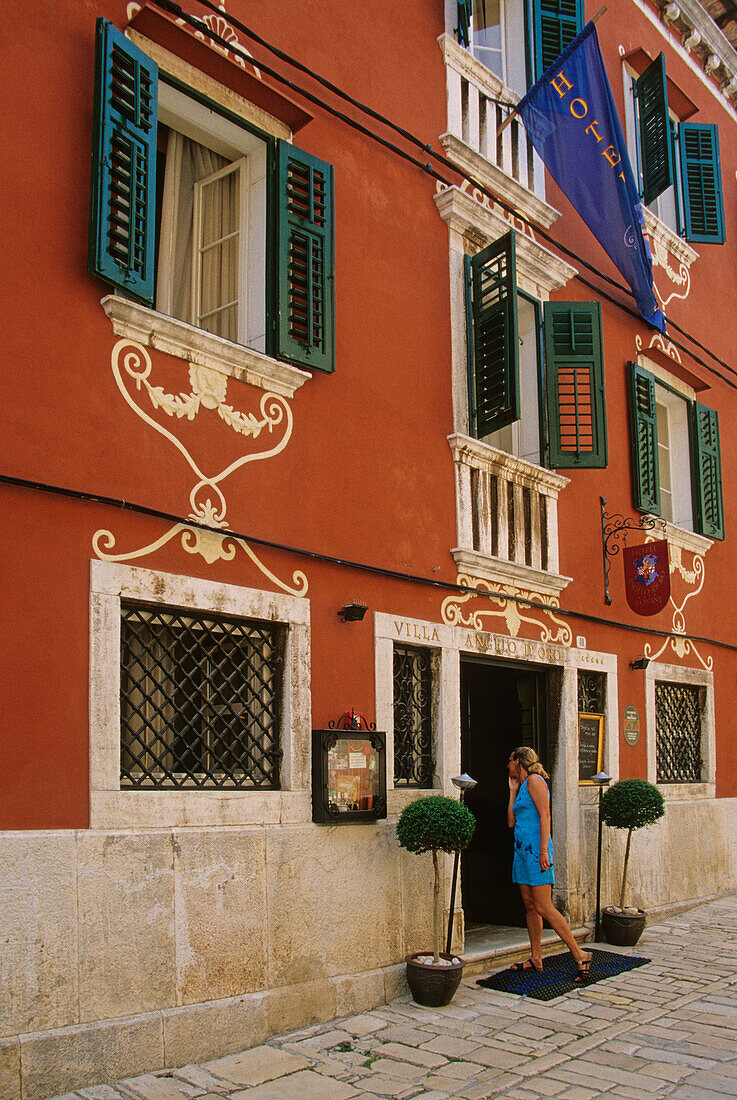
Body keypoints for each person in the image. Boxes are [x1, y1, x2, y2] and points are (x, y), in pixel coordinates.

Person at [507, 746, 592, 979]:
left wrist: (544, 851)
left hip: (537, 850)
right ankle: (536, 958)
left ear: (519, 762)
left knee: (544, 906)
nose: (507, 765)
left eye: (510, 761)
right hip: (522, 851)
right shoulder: (521, 785)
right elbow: (511, 823)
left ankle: (579, 953)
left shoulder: (535, 781)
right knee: (530, 906)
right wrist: (512, 792)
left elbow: (545, 815)